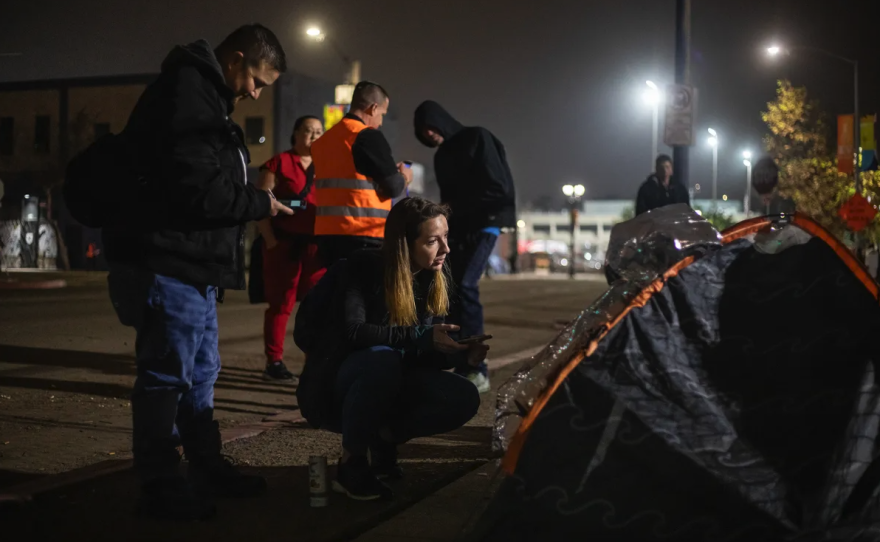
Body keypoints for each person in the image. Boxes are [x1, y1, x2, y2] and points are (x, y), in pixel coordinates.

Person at [101, 24, 292, 521]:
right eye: (257, 81)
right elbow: (200, 189)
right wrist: (260, 203)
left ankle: (205, 466)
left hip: (192, 266)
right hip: (167, 261)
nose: (256, 93)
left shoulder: (206, 99)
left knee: (201, 373)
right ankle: (161, 488)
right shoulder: (188, 95)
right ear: (236, 59)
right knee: (167, 378)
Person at [297, 197, 483, 501]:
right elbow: (353, 331)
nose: (446, 249)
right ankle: (352, 463)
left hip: (389, 381)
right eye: (433, 241)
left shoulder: (431, 277)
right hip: (335, 388)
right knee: (380, 360)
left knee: (464, 396)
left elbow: (420, 355)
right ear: (404, 244)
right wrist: (420, 336)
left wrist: (459, 353)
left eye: (446, 237)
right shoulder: (363, 267)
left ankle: (382, 439)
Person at [413, 100, 516, 393]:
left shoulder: (477, 137)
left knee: (467, 284)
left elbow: (499, 186)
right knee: (448, 288)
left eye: (430, 126)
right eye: (422, 131)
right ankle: (456, 361)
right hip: (458, 227)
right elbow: (448, 197)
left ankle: (476, 367)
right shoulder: (441, 156)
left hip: (487, 222)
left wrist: (462, 207)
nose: (429, 133)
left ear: (441, 120)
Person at [255, 115, 326, 381]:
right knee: (281, 304)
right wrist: (271, 241)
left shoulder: (328, 165)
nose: (314, 136)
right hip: (284, 245)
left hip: (316, 247)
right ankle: (274, 363)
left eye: (319, 131)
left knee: (316, 305)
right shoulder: (278, 163)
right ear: (296, 133)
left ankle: (313, 362)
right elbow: (261, 203)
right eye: (308, 130)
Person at [311, 81, 412, 267]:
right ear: (373, 108)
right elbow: (394, 187)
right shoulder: (367, 136)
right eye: (382, 114)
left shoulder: (324, 140)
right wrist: (405, 176)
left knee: (339, 284)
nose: (381, 122)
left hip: (326, 235)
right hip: (363, 233)